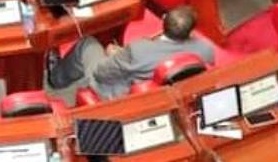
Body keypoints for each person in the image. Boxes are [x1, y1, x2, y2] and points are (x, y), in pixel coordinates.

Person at [47, 6, 214, 98]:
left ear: (163, 20)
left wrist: (115, 56)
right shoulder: (206, 49)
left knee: (87, 44)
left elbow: (101, 74)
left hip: (122, 92)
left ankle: (56, 79)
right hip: (165, 93)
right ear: (191, 31)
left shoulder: (139, 50)